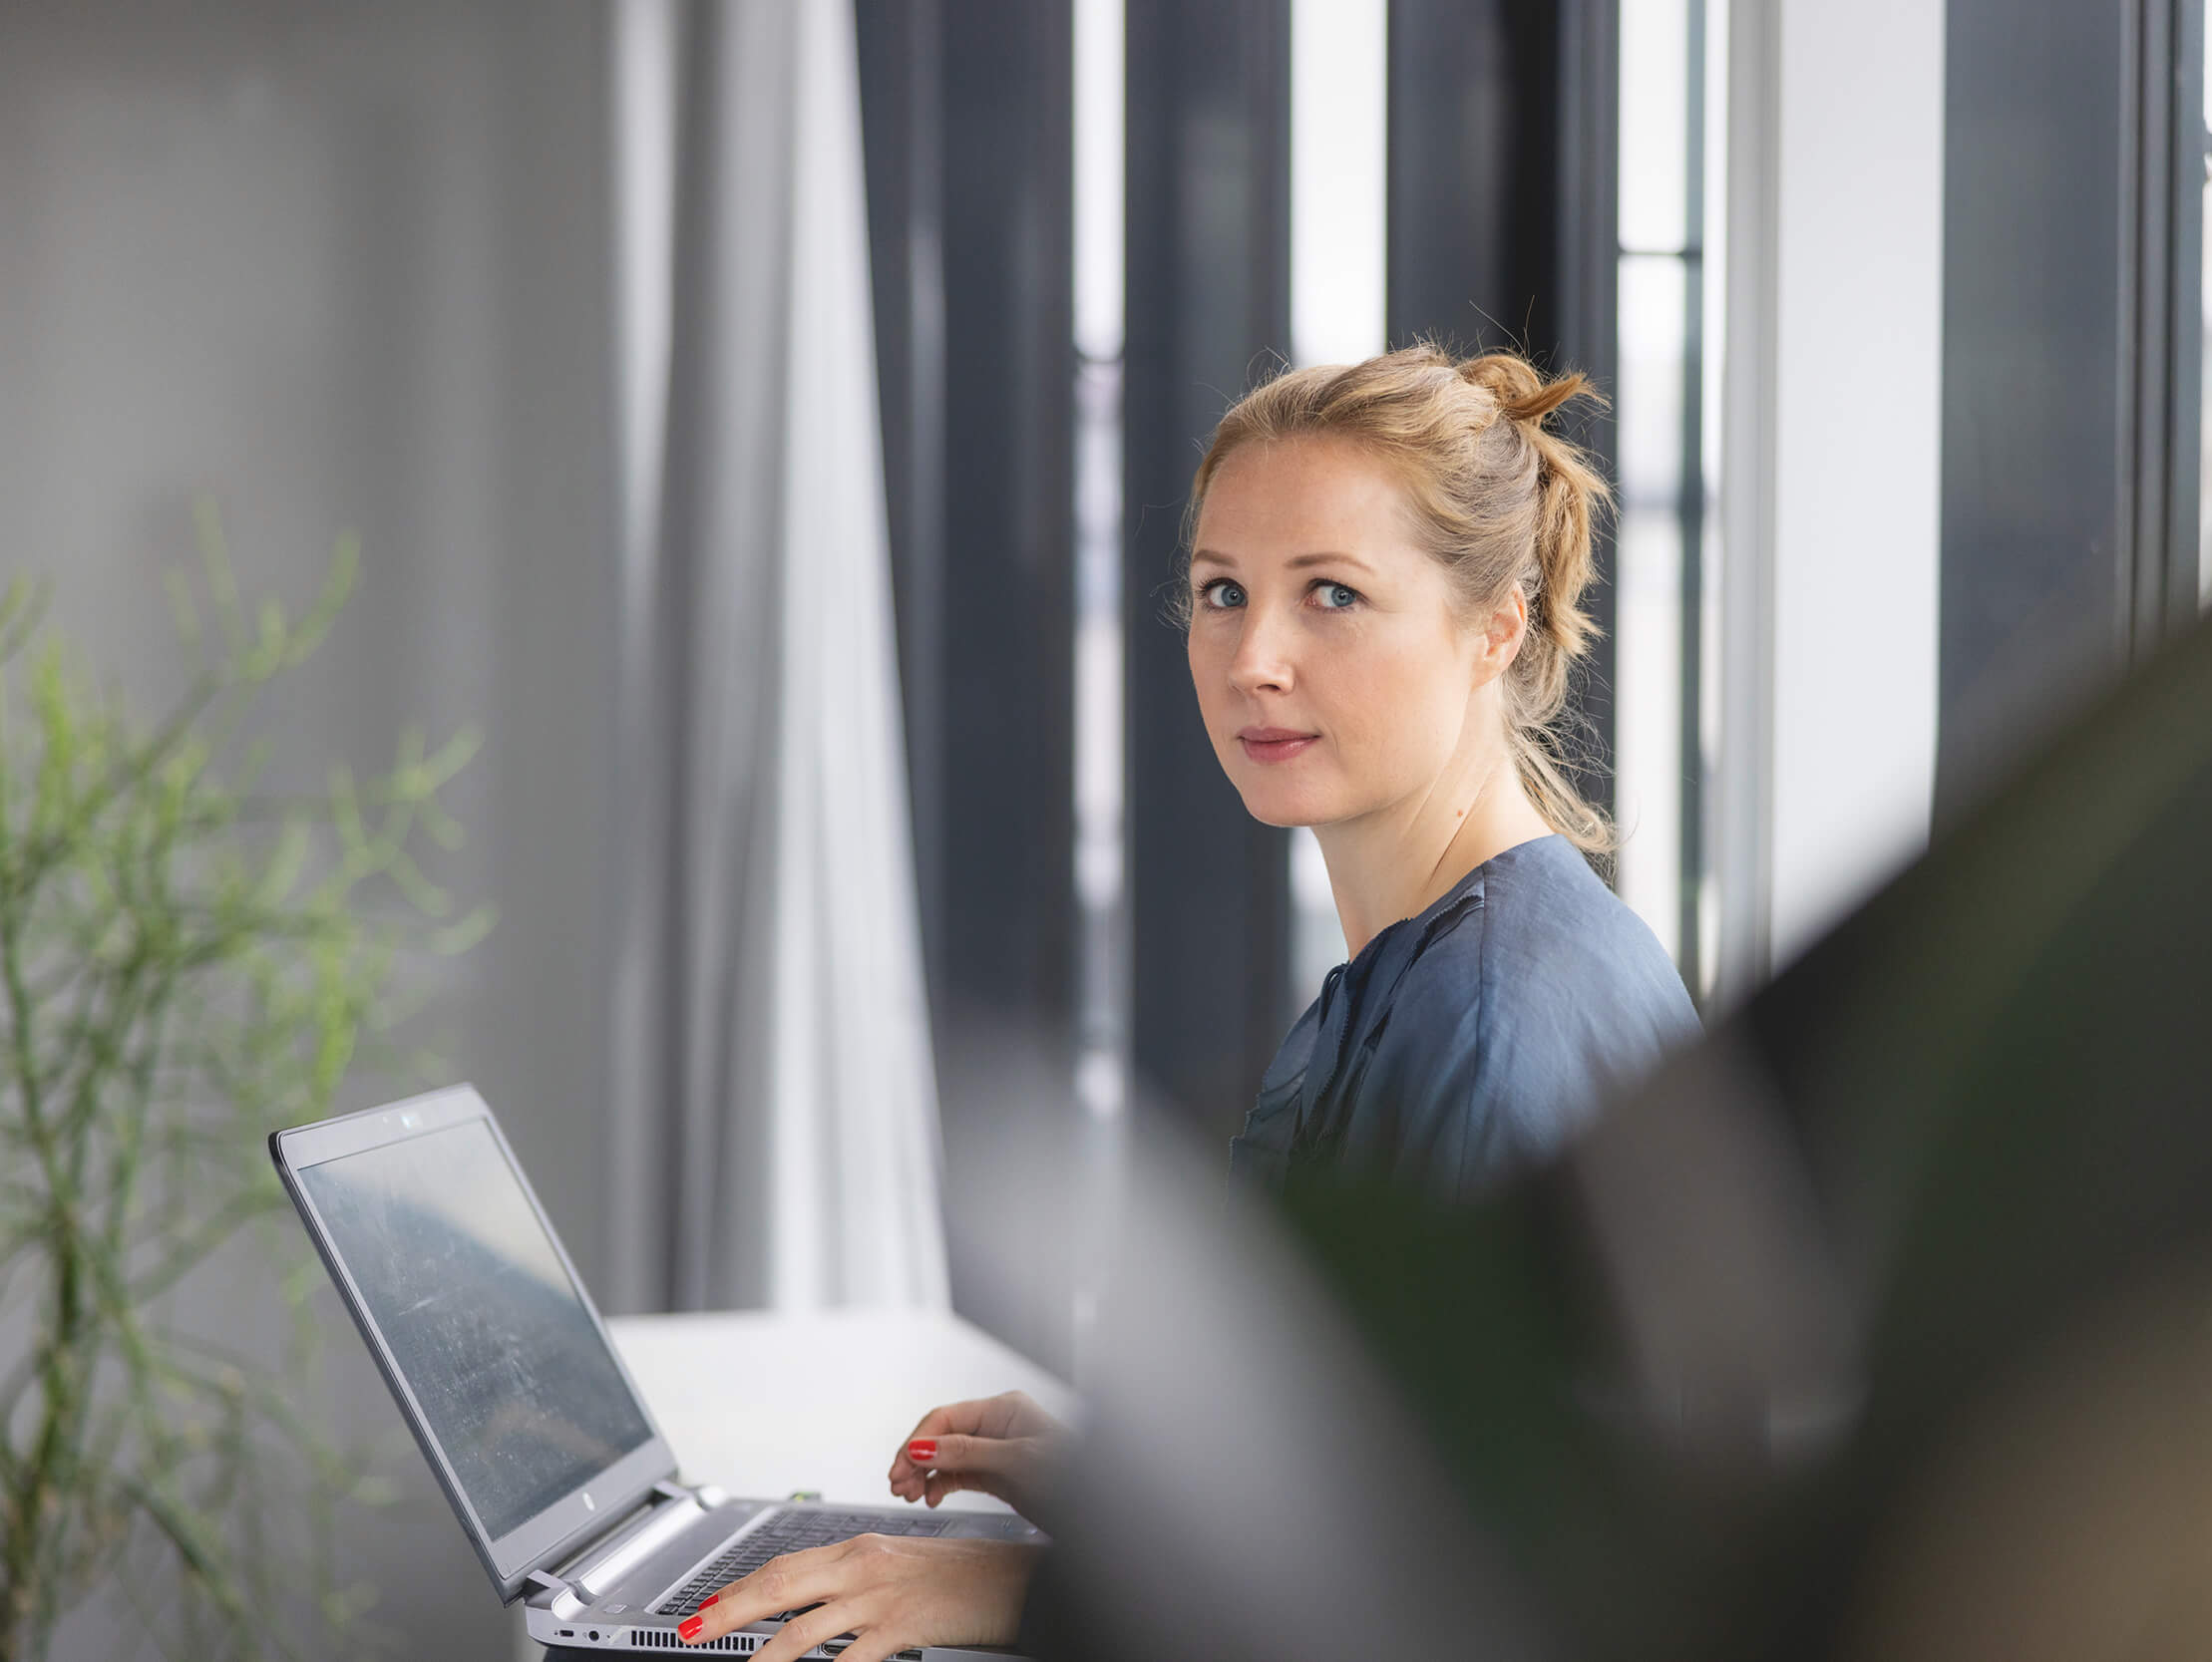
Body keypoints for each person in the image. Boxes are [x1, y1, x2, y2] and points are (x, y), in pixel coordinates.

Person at [675, 345, 1703, 1662]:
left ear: (1494, 626)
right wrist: (1158, 1492)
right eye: (1223, 593)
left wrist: (1027, 1594)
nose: (1253, 658)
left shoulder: (1498, 1021)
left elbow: (1473, 1604)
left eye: (1332, 594)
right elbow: (1397, 1463)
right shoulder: (1431, 962)